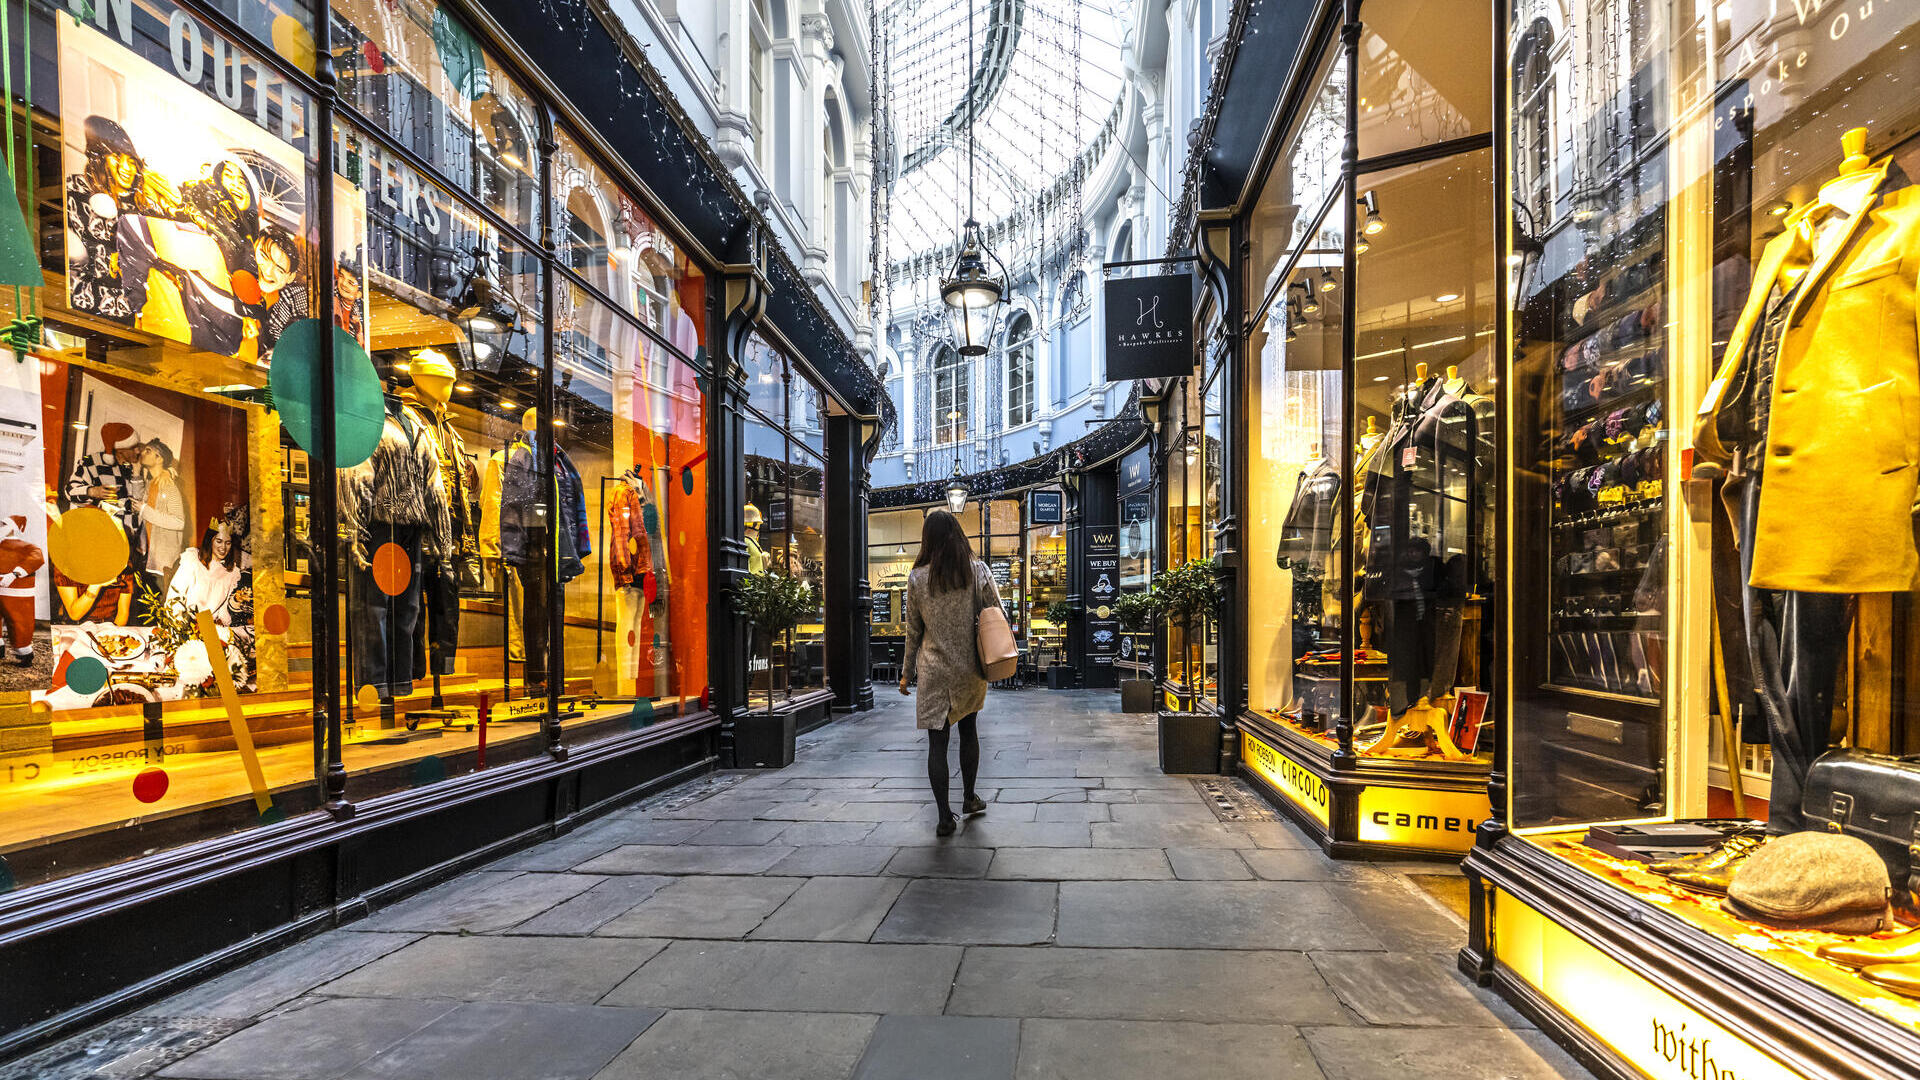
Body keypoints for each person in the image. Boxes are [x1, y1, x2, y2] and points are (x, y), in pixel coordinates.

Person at [899, 509, 1001, 836]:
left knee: (937, 742)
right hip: (970, 667)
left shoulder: (917, 579)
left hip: (933, 671)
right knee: (969, 730)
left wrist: (906, 673)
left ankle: (944, 817)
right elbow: (996, 612)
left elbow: (913, 631)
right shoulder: (977, 570)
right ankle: (969, 797)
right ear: (957, 534)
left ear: (927, 539)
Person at [167, 518, 245, 626]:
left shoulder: (231, 573)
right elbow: (174, 595)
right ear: (210, 541)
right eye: (219, 541)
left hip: (208, 625)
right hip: (183, 621)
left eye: (228, 543)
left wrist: (226, 624)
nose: (223, 547)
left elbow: (223, 611)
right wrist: (180, 624)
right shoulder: (193, 560)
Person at [134, 439, 186, 588]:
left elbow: (179, 522)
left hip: (162, 563)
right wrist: (136, 472)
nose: (143, 453)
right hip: (146, 554)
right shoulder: (152, 483)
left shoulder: (168, 485)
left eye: (148, 451)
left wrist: (145, 510)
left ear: (159, 458)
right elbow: (138, 502)